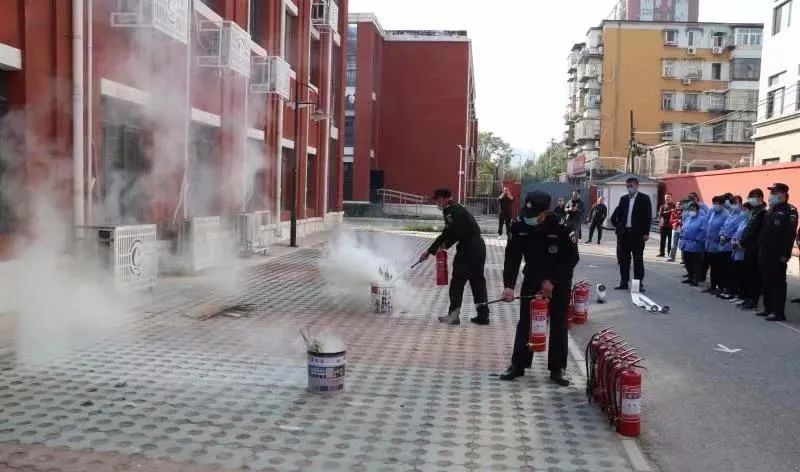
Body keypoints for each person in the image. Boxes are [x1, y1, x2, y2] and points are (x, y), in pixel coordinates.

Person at [499, 191, 579, 386]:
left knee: (558, 323)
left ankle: (557, 369)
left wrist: (552, 281)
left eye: (534, 214)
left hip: (559, 280)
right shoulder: (519, 224)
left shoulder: (561, 226)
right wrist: (508, 286)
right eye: (528, 213)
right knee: (526, 321)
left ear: (545, 212)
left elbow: (571, 258)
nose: (530, 218)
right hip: (533, 276)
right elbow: (512, 257)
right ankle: (518, 364)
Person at [419, 188, 490, 325]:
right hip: (479, 247)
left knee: (457, 282)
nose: (437, 203)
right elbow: (447, 232)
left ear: (444, 198)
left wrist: (445, 245)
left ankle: (453, 315)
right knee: (477, 281)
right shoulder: (457, 208)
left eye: (438, 200)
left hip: (468, 249)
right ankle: (483, 315)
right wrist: (429, 251)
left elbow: (454, 232)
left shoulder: (451, 210)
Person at [755, 183, 798, 321]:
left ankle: (777, 312)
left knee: (777, 282)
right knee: (767, 280)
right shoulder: (772, 210)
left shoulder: (790, 211)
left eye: (775, 192)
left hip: (778, 253)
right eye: (772, 192)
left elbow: (790, 234)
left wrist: (786, 254)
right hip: (766, 251)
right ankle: (768, 308)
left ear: (783, 194)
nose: (772, 195)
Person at [610, 177, 653, 291]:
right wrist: (619, 228)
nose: (629, 188)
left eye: (631, 186)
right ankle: (624, 283)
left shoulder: (644, 199)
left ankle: (637, 285)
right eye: (627, 186)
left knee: (638, 260)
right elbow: (616, 215)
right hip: (624, 234)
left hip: (638, 235)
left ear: (637, 186)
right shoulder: (623, 199)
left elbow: (647, 217)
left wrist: (646, 233)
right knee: (624, 260)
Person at [738, 189, 768, 311]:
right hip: (748, 248)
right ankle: (748, 298)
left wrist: (751, 245)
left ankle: (753, 300)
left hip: (755, 249)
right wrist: (743, 242)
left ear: (760, 198)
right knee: (748, 274)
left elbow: (758, 233)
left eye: (753, 197)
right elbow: (748, 229)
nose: (750, 199)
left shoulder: (763, 213)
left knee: (755, 276)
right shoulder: (754, 211)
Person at [718, 196, 746, 299]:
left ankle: (732, 290)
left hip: (732, 246)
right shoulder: (732, 214)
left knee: (732, 270)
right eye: (732, 203)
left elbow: (737, 231)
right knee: (726, 269)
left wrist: (728, 238)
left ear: (740, 203)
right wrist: (721, 234)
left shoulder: (742, 216)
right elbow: (724, 226)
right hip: (724, 244)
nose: (734, 205)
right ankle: (726, 288)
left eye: (735, 203)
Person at [703, 196, 731, 296]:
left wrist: (720, 238)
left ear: (722, 204)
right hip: (710, 244)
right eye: (713, 203)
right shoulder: (713, 212)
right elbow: (708, 224)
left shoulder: (726, 215)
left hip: (720, 245)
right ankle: (713, 286)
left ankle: (720, 287)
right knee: (713, 267)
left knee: (719, 268)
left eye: (716, 203)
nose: (714, 206)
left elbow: (725, 228)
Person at [729, 202, 753, 304]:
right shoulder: (743, 221)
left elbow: (747, 237)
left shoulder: (750, 223)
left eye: (745, 210)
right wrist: (733, 241)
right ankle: (738, 294)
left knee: (743, 276)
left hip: (743, 252)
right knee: (736, 274)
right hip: (736, 250)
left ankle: (743, 296)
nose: (743, 212)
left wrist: (740, 244)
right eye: (742, 210)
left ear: (750, 211)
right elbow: (736, 233)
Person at [679, 202, 707, 287]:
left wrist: (697, 239)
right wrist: (682, 235)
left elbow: (703, 231)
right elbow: (683, 228)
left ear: (697, 210)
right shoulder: (688, 218)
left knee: (696, 263)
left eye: (693, 209)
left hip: (696, 244)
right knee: (687, 262)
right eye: (690, 209)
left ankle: (696, 279)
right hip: (686, 243)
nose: (691, 211)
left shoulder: (702, 219)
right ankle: (690, 277)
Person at [658, 193, 676, 257]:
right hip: (663, 225)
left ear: (671, 198)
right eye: (666, 197)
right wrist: (669, 211)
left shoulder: (674, 206)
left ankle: (669, 253)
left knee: (670, 241)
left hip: (671, 226)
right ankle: (661, 253)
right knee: (662, 240)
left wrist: (665, 213)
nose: (667, 198)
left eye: (668, 197)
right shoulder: (662, 206)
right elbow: (660, 214)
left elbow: (674, 214)